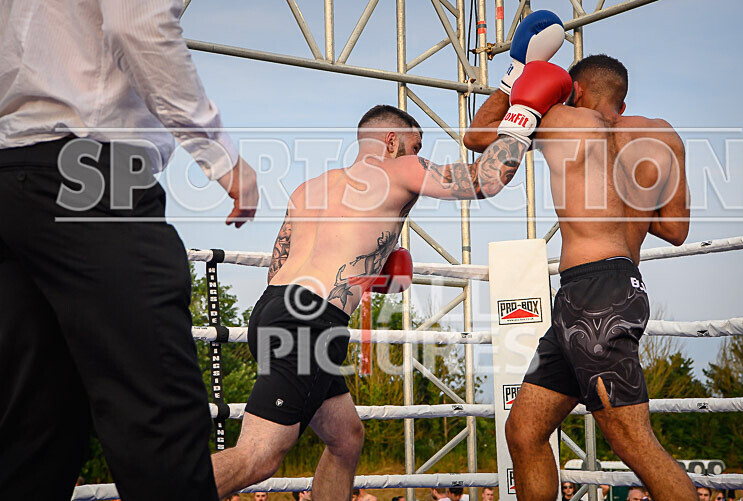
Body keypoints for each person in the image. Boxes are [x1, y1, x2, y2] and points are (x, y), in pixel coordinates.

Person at [211, 54, 570, 496]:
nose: (419, 157)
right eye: (416, 147)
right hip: (310, 322)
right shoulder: (399, 167)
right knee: (259, 457)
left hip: (273, 308)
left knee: (345, 439)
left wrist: (368, 273)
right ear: (391, 139)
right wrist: (523, 114)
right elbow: (486, 179)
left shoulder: (311, 186)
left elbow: (278, 260)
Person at [0, 0, 259, 499]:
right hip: (91, 175)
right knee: (158, 415)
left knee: (36, 428)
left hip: (14, 179)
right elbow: (137, 21)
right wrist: (220, 152)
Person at [464, 51, 692, 501]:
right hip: (617, 288)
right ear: (621, 100)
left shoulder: (564, 121)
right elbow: (676, 230)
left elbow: (478, 138)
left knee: (633, 442)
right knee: (525, 431)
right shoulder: (662, 135)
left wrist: (516, 75)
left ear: (576, 91)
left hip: (592, 296)